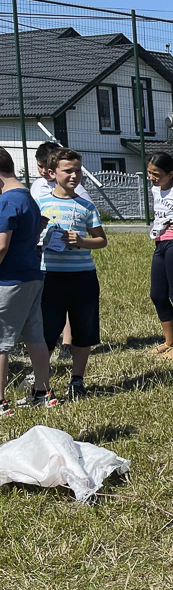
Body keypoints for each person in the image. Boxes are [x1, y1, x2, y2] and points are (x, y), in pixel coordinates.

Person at [35, 148, 107, 401]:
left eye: (77, 170)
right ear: (52, 173)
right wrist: (39, 238)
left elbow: (101, 240)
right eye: (68, 171)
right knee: (46, 331)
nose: (74, 175)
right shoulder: (40, 204)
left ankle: (77, 379)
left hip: (82, 276)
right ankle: (42, 382)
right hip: (49, 275)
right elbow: (29, 239)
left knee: (83, 329)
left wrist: (81, 240)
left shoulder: (87, 205)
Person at [0, 148, 56, 415]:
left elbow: (1, 246)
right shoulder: (28, 199)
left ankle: (0, 402)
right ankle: (42, 392)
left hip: (9, 280)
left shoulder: (7, 202)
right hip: (32, 275)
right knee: (35, 335)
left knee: (1, 342)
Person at [146, 152, 173, 359]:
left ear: (170, 173)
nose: (152, 177)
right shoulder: (155, 189)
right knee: (157, 294)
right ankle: (169, 341)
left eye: (156, 174)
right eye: (149, 172)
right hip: (161, 242)